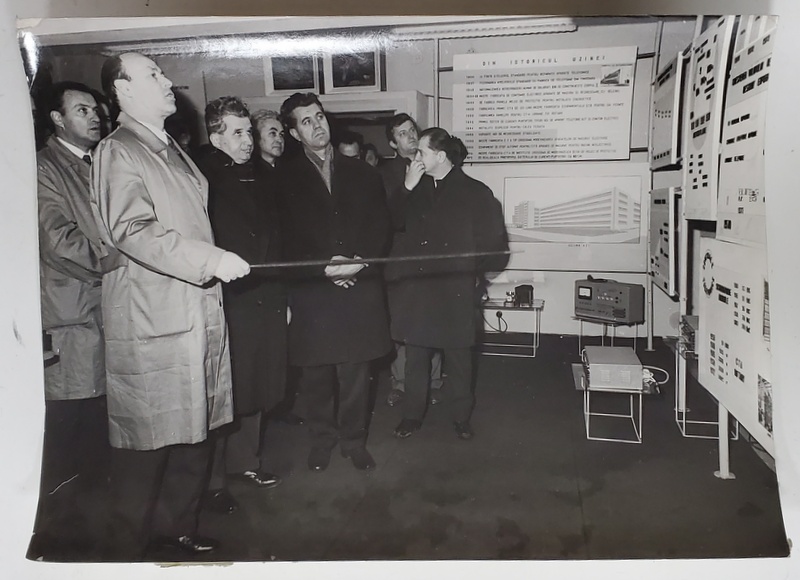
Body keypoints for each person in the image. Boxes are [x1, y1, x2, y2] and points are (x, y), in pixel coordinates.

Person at [92, 52, 250, 559]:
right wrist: (211, 259)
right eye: (153, 75)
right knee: (149, 443)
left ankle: (175, 532)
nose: (167, 81)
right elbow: (132, 230)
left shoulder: (170, 148)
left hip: (192, 309)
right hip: (153, 315)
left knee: (193, 430)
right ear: (122, 91)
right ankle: (124, 555)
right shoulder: (118, 150)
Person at [277, 92, 391, 472]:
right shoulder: (282, 178)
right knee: (316, 376)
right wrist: (324, 267)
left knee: (357, 374)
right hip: (314, 290)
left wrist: (357, 263)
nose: (317, 125)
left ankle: (353, 441)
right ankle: (321, 441)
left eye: (319, 116)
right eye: (306, 121)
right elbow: (282, 238)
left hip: (358, 285)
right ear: (294, 133)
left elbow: (381, 227)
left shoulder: (363, 171)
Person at [386, 127, 509, 441]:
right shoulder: (415, 187)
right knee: (416, 358)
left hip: (455, 292)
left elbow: (496, 247)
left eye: (422, 153)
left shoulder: (476, 193)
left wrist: (470, 274)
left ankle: (461, 417)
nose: (416, 158)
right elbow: (390, 226)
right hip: (419, 292)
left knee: (459, 359)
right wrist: (406, 188)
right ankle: (412, 416)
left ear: (440, 156)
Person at [198, 97, 286, 514]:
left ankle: (246, 463)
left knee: (258, 382)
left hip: (264, 296)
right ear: (215, 136)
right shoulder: (200, 175)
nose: (248, 140)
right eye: (237, 132)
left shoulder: (262, 175)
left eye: (249, 131)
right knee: (224, 389)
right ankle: (213, 482)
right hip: (224, 298)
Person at [36, 81, 119, 503]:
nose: (94, 117)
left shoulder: (100, 162)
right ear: (57, 118)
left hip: (105, 309)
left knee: (102, 416)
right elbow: (59, 242)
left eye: (96, 110)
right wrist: (119, 262)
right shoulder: (43, 169)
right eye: (82, 110)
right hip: (73, 315)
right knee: (73, 416)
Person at [378, 113, 443, 408]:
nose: (411, 136)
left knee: (433, 320)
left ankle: (434, 382)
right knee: (401, 327)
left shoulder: (434, 165)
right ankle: (401, 385)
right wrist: (408, 185)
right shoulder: (384, 173)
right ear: (393, 143)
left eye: (412, 130)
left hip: (431, 261)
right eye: (403, 133)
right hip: (401, 263)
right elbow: (388, 219)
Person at [252, 108, 305, 426]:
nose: (279, 138)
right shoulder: (252, 175)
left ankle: (280, 407)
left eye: (282, 133)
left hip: (288, 273)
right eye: (272, 132)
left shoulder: (287, 173)